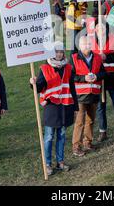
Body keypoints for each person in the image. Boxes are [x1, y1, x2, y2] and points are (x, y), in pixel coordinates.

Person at [30, 42, 78, 175]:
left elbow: (72, 88)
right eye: (56, 52)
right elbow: (39, 87)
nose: (59, 54)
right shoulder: (44, 68)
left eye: (61, 52)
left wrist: (75, 107)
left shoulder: (68, 68)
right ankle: (47, 164)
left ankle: (60, 162)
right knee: (49, 136)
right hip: (51, 107)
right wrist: (33, 83)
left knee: (62, 135)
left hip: (65, 106)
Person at [91, 24, 114, 142]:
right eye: (98, 28)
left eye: (102, 28)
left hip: (112, 76)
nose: (100, 31)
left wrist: (107, 57)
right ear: (95, 30)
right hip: (99, 78)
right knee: (101, 106)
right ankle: (102, 131)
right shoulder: (91, 41)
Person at [71, 36, 106, 156]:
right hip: (80, 95)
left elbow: (103, 72)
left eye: (89, 44)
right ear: (79, 46)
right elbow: (71, 76)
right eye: (85, 44)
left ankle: (88, 142)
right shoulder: (74, 58)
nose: (87, 46)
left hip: (94, 94)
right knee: (79, 121)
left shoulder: (97, 57)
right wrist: (83, 78)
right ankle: (76, 146)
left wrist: (97, 76)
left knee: (90, 120)